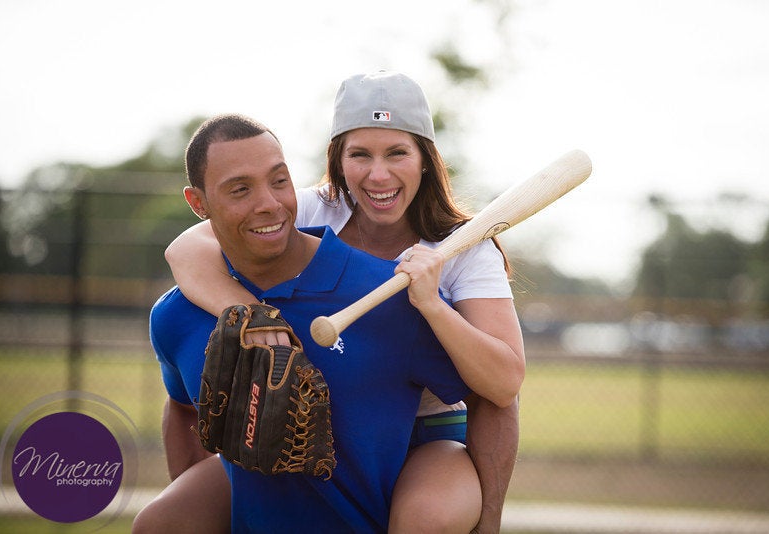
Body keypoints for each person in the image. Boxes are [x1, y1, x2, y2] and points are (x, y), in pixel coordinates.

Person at [148, 71, 525, 532]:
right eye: (360, 154)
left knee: (426, 518)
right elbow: (187, 249)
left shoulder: (467, 249)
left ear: (425, 159)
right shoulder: (305, 209)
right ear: (339, 161)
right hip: (333, 424)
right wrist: (253, 315)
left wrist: (431, 303)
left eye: (397, 152)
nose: (378, 174)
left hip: (428, 430)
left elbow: (502, 387)